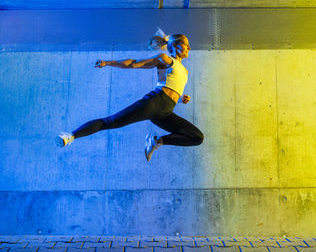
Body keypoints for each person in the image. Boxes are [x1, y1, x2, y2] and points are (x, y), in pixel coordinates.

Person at [55, 27, 204, 161]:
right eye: (186, 44)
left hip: (166, 112)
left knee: (196, 137)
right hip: (155, 102)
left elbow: (171, 85)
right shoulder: (165, 59)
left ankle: (157, 141)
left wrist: (180, 98)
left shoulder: (184, 71)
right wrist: (108, 62)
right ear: (177, 46)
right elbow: (134, 63)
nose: (189, 48)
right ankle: (70, 136)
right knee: (111, 122)